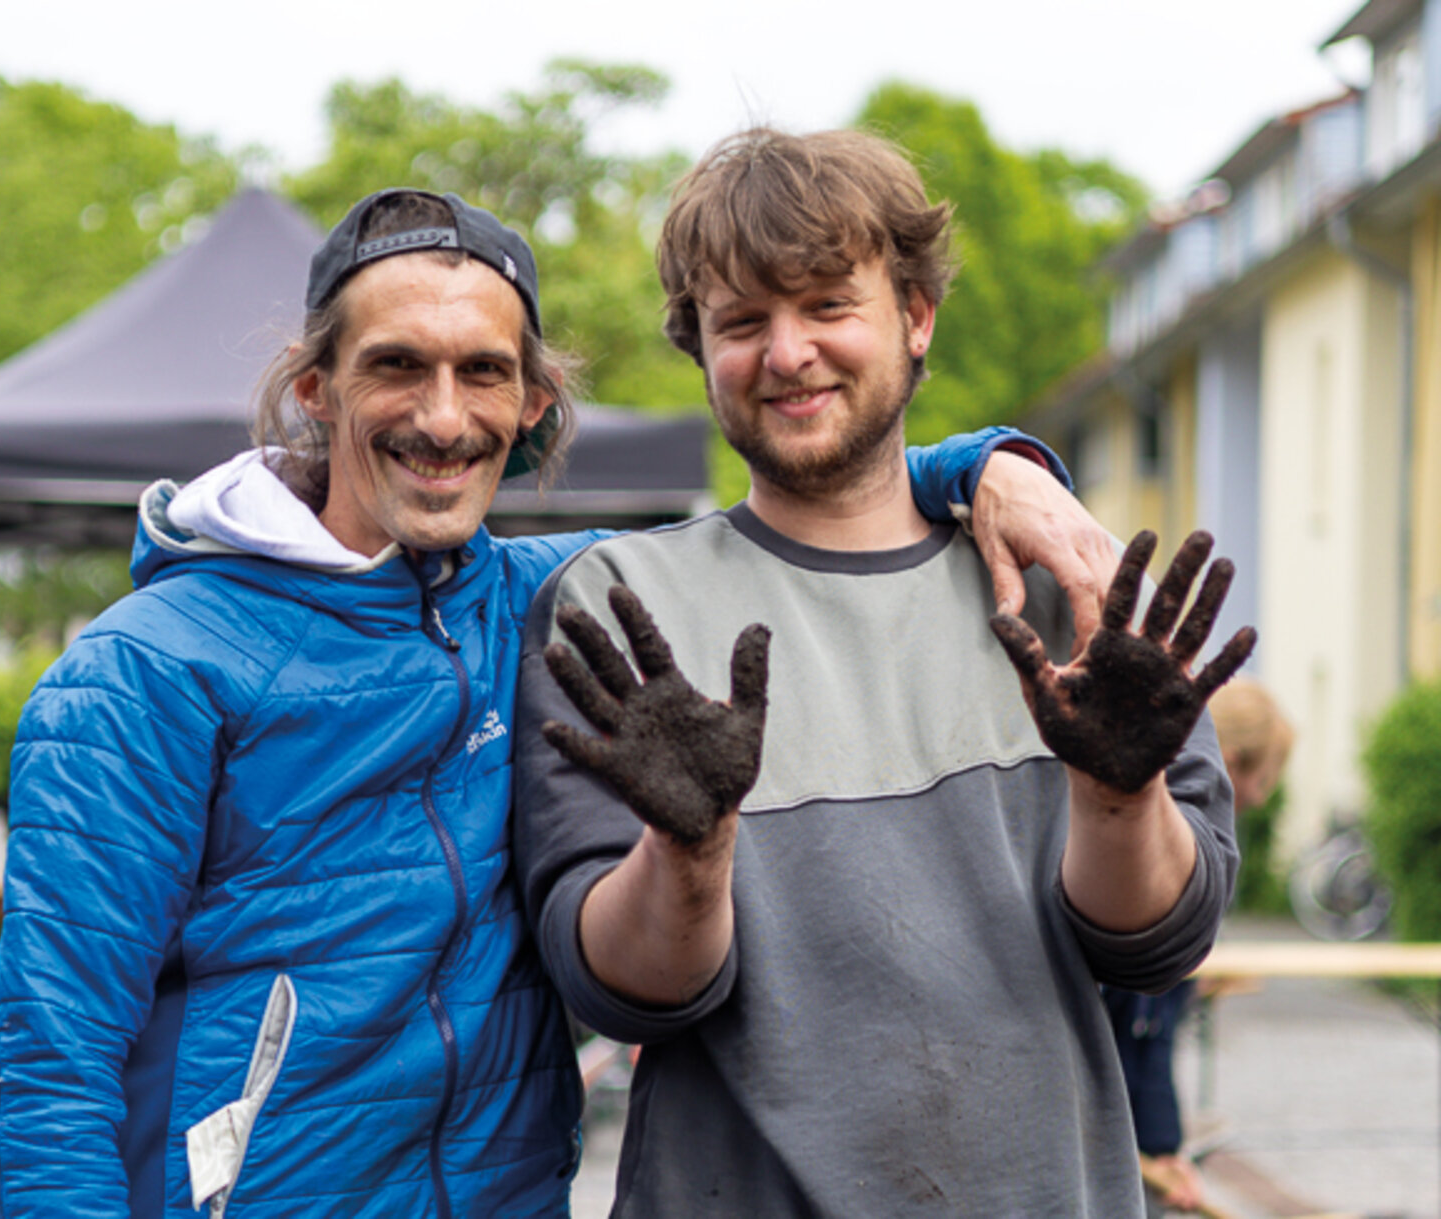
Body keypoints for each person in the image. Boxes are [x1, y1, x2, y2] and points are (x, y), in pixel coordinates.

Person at [0, 185, 1110, 1217]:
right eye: (396, 366)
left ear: (530, 403)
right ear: (314, 388)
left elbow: (792, 513)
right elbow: (49, 1070)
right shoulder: (142, 672)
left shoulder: (549, 602)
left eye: (483, 372)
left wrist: (983, 466)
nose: (443, 414)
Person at [514, 127, 1256, 1217]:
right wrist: (690, 849)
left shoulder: (1062, 584)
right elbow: (624, 994)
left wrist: (1116, 793)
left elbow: (1157, 943)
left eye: (826, 305)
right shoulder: (623, 610)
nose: (787, 352)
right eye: (742, 321)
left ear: (916, 314)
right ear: (698, 347)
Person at [1107, 676, 1295, 1215]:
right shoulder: (1171, 849)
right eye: (1265, 776)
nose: (1262, 795)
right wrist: (1162, 1149)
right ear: (1229, 761)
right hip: (1114, 1126)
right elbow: (1140, 1026)